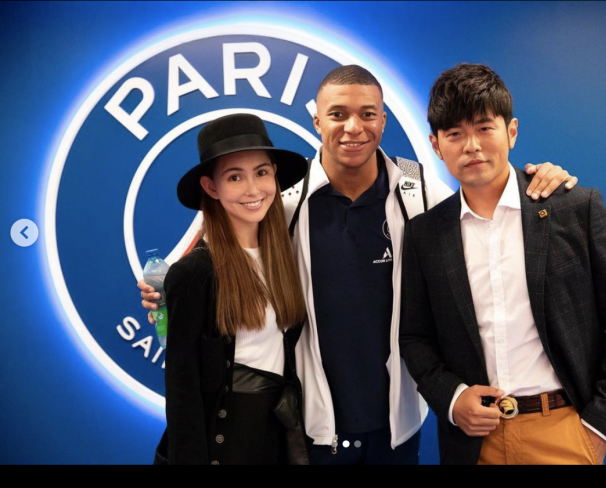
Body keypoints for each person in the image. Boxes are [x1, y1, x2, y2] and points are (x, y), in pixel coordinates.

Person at [143, 65, 578, 464]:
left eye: (368, 114)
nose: (354, 127)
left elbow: (486, 207)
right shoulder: (283, 202)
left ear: (383, 121)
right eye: (338, 114)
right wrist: (163, 294)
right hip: (310, 431)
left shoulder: (418, 192)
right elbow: (209, 256)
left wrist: (540, 178)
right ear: (317, 121)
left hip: (398, 428)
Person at [399, 63, 606, 465]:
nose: (472, 146)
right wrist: (453, 398)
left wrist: (600, 427)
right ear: (436, 144)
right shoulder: (425, 233)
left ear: (511, 131)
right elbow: (415, 337)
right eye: (455, 134)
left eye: (484, 128)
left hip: (566, 431)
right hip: (475, 442)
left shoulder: (574, 208)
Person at [157, 113, 309, 465]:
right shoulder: (194, 273)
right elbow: (182, 389)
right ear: (211, 187)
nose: (253, 189)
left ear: (275, 175)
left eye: (261, 172)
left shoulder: (287, 256)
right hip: (224, 442)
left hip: (276, 435)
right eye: (234, 177)